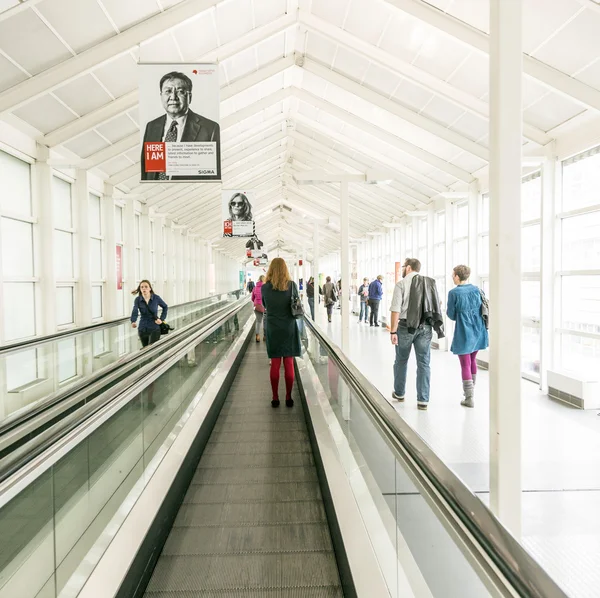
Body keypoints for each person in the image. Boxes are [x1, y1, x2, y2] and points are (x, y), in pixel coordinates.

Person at [141, 71, 221, 181]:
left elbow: (213, 177)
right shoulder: (152, 126)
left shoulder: (210, 129)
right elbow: (146, 172)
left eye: (180, 92)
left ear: (190, 97)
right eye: (168, 91)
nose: (173, 97)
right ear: (161, 96)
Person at [389, 259, 443, 411]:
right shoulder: (429, 283)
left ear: (408, 268)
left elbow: (395, 309)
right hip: (425, 327)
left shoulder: (401, 284)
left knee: (401, 360)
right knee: (424, 362)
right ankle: (423, 400)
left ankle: (399, 393)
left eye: (404, 266)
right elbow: (436, 303)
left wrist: (393, 331)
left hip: (406, 326)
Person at [446, 265, 489, 408]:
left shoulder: (454, 293)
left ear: (458, 276)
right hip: (478, 331)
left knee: (465, 364)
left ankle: (469, 398)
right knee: (472, 360)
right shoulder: (477, 290)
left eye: (453, 275)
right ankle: (470, 393)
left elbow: (451, 315)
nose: (452, 277)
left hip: (464, 332)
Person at [261, 258, 301, 408]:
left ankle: (275, 397)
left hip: (272, 327)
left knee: (275, 364)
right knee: (289, 362)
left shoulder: (265, 288)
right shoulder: (292, 286)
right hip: (289, 326)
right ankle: (289, 397)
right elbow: (296, 304)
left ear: (271, 269)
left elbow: (265, 305)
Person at [130, 280, 168, 347]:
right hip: (142, 329)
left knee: (152, 349)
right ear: (140, 289)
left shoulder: (156, 298)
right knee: (145, 350)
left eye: (146, 287)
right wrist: (133, 321)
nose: (144, 288)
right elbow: (135, 310)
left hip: (154, 327)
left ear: (150, 288)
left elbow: (165, 307)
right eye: (142, 287)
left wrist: (161, 319)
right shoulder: (138, 299)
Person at [251, 275, 266, 343]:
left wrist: (256, 302)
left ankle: (257, 336)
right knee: (265, 321)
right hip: (265, 306)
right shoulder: (266, 288)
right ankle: (265, 336)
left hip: (257, 306)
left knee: (258, 321)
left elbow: (252, 298)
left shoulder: (255, 288)